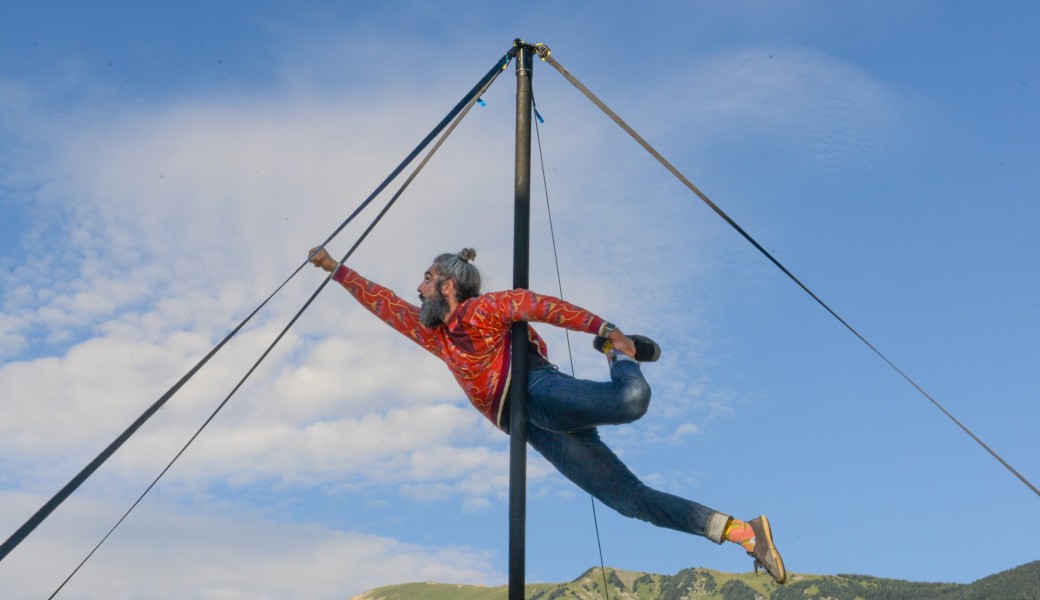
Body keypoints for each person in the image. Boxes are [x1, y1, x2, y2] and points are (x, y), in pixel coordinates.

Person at [308, 246, 787, 584]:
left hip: (537, 389)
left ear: (447, 285)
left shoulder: (484, 310)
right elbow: (385, 304)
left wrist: (607, 330)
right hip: (530, 426)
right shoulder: (436, 334)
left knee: (630, 401)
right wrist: (334, 268)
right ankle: (743, 532)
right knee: (628, 500)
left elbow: (543, 306)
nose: (417, 289)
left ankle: (620, 356)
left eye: (425, 280)